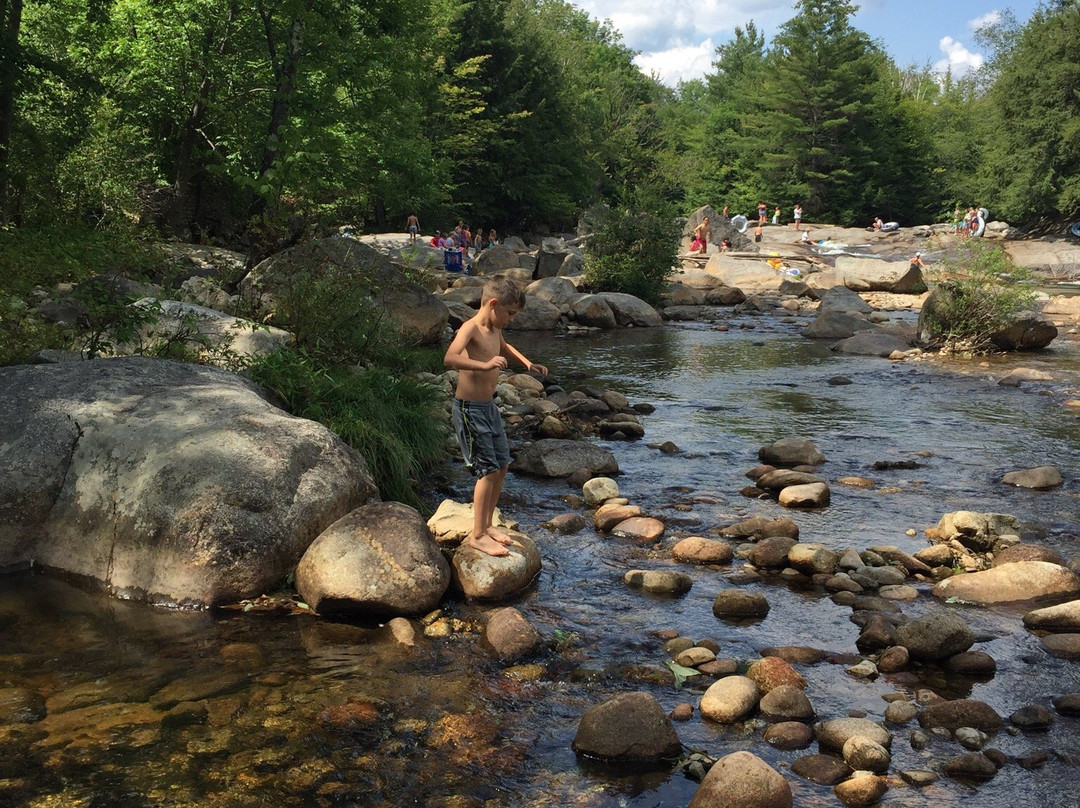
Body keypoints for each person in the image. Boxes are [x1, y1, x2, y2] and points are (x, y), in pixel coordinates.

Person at [444, 276, 548, 556]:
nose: (512, 319)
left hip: (488, 407)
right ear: (492, 304)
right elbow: (450, 357)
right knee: (487, 469)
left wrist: (528, 363)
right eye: (510, 313)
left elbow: (504, 347)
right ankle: (477, 535)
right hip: (469, 410)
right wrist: (484, 364)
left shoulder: (495, 329)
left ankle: (488, 525)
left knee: (502, 464)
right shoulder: (471, 328)